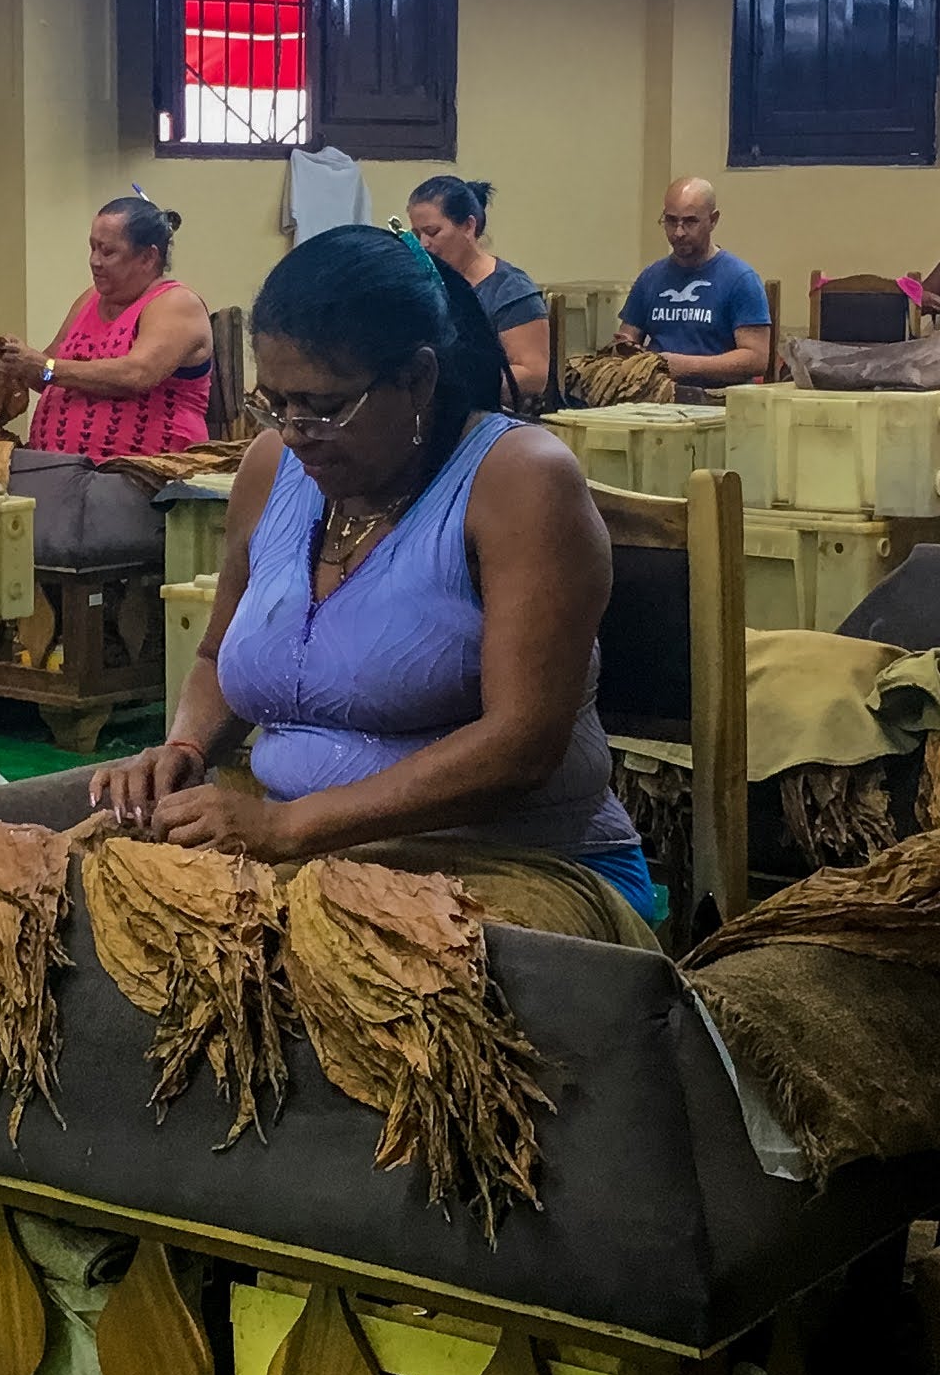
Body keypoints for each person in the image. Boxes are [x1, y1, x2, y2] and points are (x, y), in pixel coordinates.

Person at [90, 225, 656, 947]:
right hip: (311, 851)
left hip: (513, 864)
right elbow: (213, 660)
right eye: (277, 404)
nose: (296, 433)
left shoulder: (519, 480)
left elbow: (522, 743)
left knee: (311, 964)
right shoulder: (270, 470)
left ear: (418, 378)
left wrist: (293, 825)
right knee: (63, 883)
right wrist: (186, 750)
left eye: (325, 407)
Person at [0, 196, 214, 462]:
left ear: (147, 257)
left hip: (140, 476)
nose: (94, 261)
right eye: (92, 248)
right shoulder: (90, 299)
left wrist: (45, 366)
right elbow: (47, 375)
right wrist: (18, 361)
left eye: (108, 252)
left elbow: (137, 374)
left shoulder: (176, 303)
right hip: (61, 469)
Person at [615, 178, 773, 388]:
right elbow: (627, 338)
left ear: (713, 220)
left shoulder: (741, 279)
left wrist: (683, 365)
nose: (678, 233)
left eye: (690, 222)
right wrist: (624, 350)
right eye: (671, 221)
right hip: (655, 396)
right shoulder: (651, 277)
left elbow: (756, 359)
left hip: (717, 401)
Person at [405, 176, 548, 406]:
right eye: (416, 234)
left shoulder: (509, 289)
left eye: (432, 232)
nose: (423, 244)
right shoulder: (423, 283)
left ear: (469, 226)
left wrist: (455, 388)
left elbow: (534, 374)